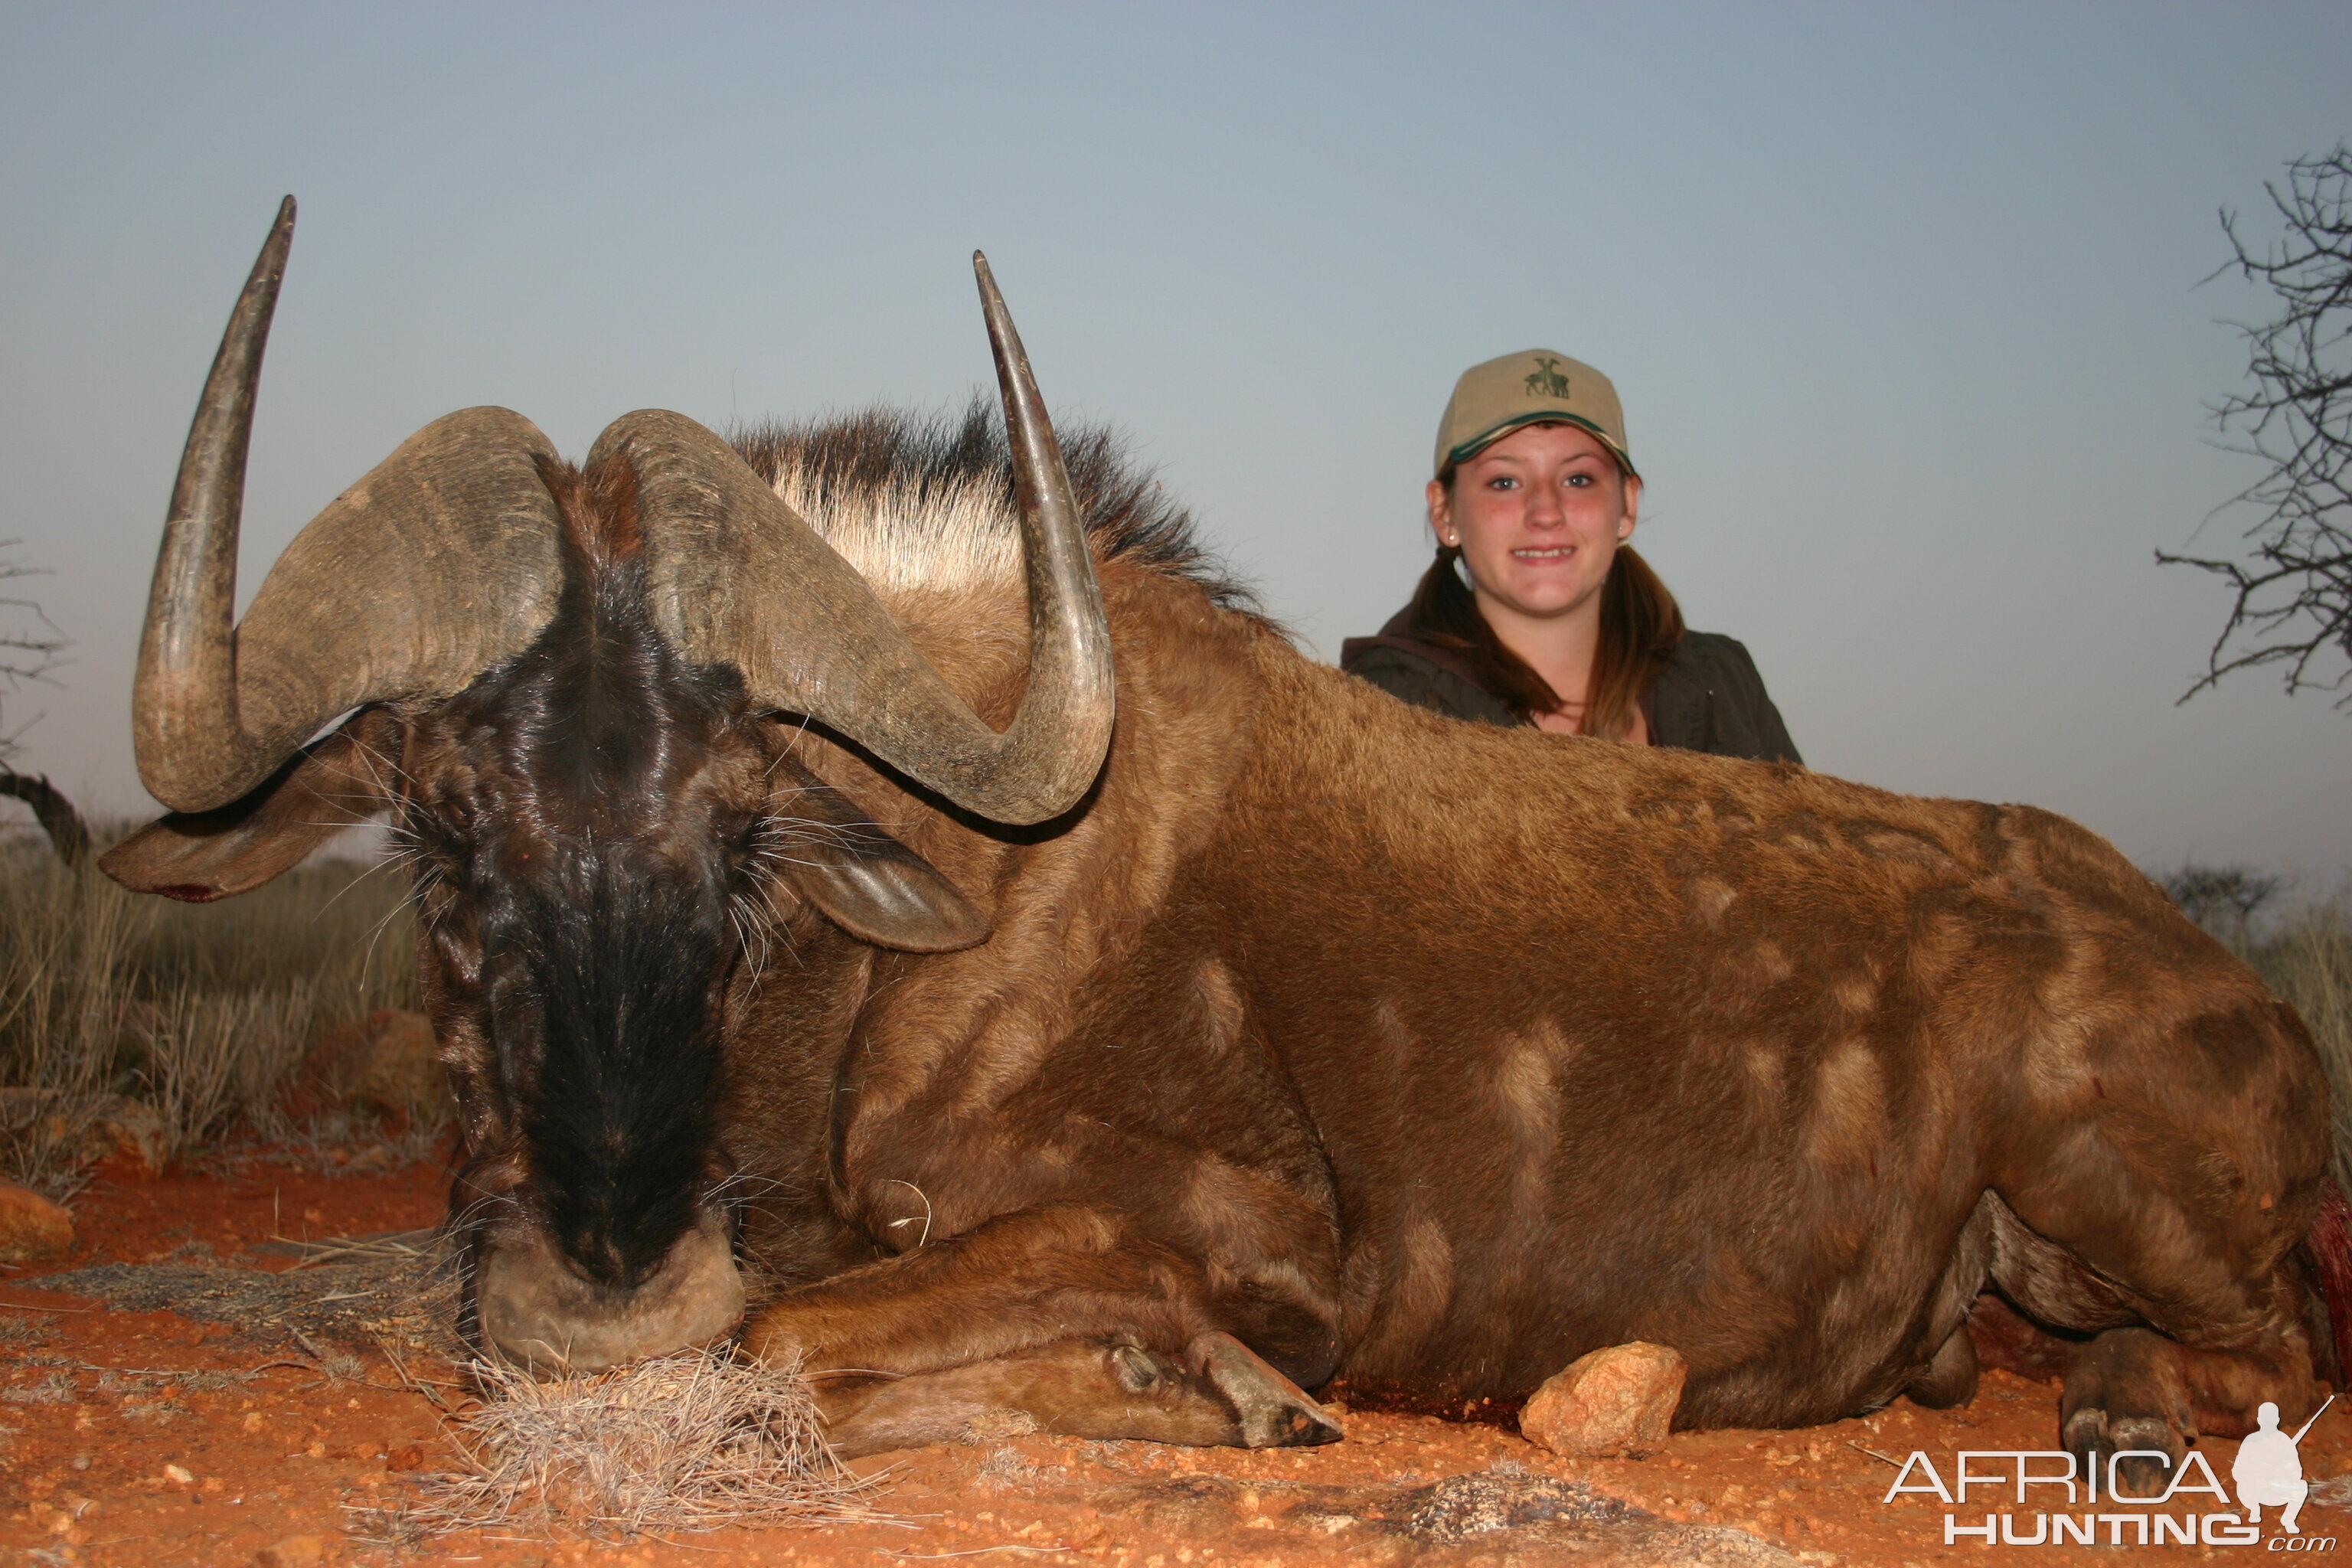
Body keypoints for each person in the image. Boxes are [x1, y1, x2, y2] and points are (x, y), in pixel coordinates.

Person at [1341, 350, 1799, 763]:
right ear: (1445, 513)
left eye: (1578, 479)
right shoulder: (1377, 713)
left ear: (1627, 505)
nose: (1546, 511)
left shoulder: (1722, 677)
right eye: (1504, 482)